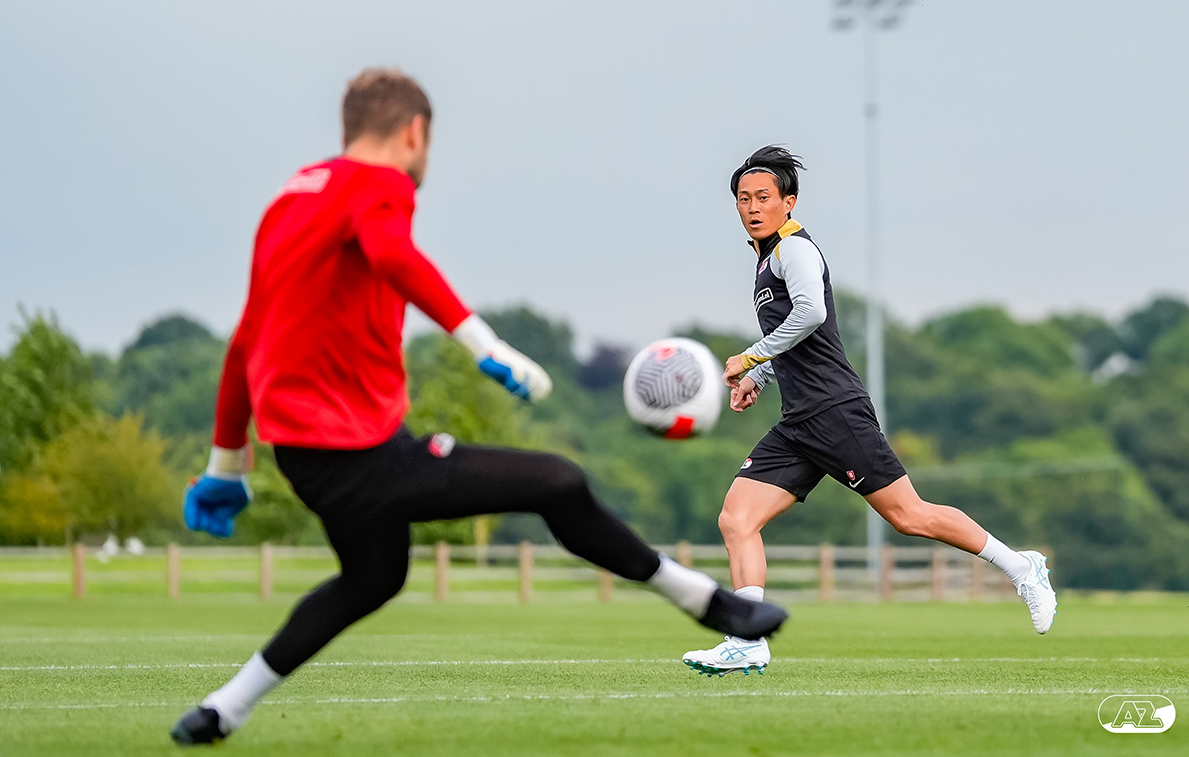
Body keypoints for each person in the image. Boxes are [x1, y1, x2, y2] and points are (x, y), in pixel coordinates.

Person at [169, 69, 787, 745]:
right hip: (357, 452)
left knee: (373, 578)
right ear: (415, 133)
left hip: (307, 454)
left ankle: (222, 709)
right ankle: (708, 603)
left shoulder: (290, 199)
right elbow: (393, 254)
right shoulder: (379, 185)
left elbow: (245, 339)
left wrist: (226, 463)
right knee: (557, 481)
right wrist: (482, 344)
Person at [680, 146, 1056, 678]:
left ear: (789, 201)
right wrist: (759, 378)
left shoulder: (793, 250)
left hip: (835, 411)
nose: (753, 207)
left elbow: (811, 313)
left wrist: (751, 357)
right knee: (737, 518)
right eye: (744, 199)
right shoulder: (765, 259)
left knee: (909, 516)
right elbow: (793, 336)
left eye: (763, 197)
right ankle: (747, 639)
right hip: (798, 422)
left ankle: (1022, 567)